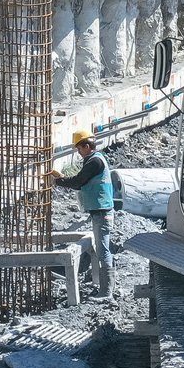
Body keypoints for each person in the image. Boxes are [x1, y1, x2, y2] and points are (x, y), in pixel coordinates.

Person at [51, 128, 115, 298]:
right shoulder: (94, 160)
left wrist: (59, 181)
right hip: (99, 211)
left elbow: (79, 181)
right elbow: (82, 180)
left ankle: (107, 292)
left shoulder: (94, 162)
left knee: (103, 250)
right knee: (102, 249)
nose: (78, 153)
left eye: (79, 149)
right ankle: (106, 289)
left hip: (102, 212)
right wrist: (63, 179)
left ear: (87, 146)